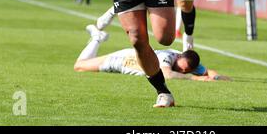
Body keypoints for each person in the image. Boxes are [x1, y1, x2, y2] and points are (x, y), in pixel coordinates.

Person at [74, 25, 230, 82]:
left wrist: (215, 77)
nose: (181, 71)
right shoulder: (167, 58)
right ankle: (97, 38)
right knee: (79, 66)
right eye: (181, 68)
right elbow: (167, 75)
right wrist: (195, 78)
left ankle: (97, 38)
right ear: (179, 57)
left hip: (128, 61)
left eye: (185, 71)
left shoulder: (186, 62)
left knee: (82, 65)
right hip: (123, 60)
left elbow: (208, 71)